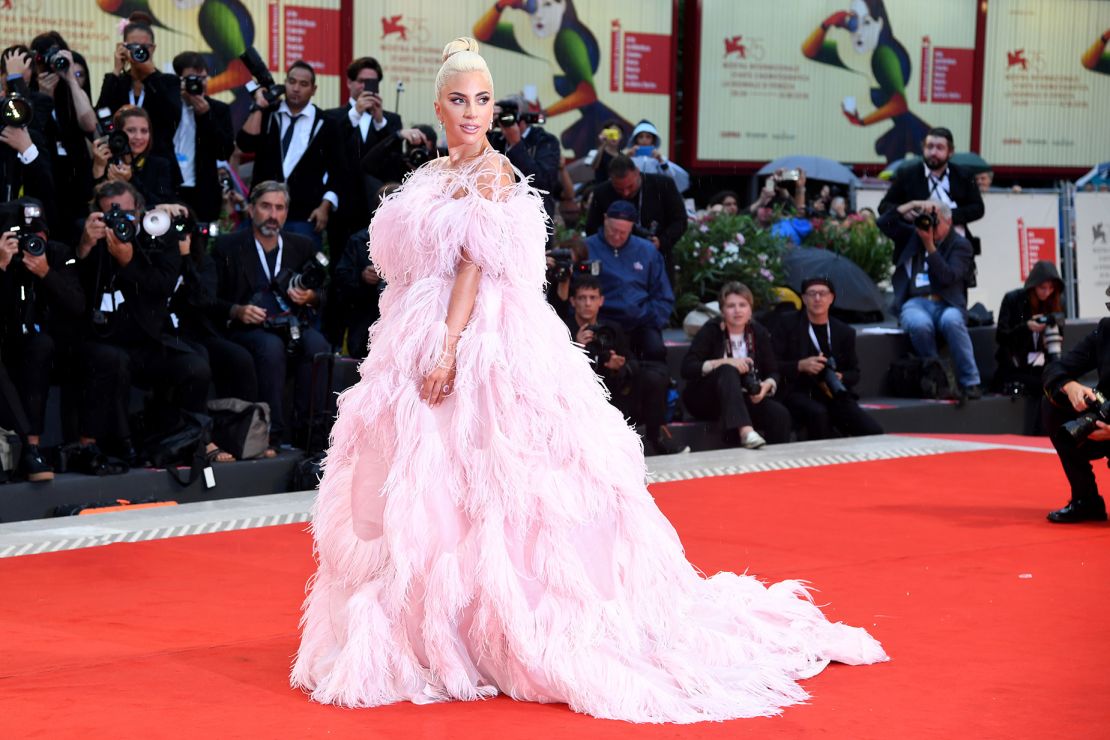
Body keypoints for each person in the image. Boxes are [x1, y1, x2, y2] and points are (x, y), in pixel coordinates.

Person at [291, 36, 886, 721]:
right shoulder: (429, 175)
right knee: (425, 485)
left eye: (483, 100)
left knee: (499, 480)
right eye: (459, 100)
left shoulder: (493, 174)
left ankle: (499, 622)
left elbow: (472, 267)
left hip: (485, 341)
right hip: (412, 330)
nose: (472, 112)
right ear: (438, 105)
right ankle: (434, 627)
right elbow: (403, 256)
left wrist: (450, 347)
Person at [75, 181, 212, 466]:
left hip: (151, 339)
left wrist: (129, 262)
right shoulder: (92, 236)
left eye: (126, 214)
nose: (120, 222)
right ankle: (122, 445)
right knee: (114, 360)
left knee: (195, 367)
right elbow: (77, 289)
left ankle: (184, 440)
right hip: (104, 339)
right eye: (111, 216)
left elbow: (162, 285)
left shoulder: (158, 235)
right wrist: (85, 246)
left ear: (139, 210)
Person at [212, 180, 329, 449]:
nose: (273, 215)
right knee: (270, 348)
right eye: (266, 207)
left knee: (319, 347)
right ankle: (270, 433)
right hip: (249, 327)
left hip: (292, 324)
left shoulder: (302, 245)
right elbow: (210, 298)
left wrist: (311, 296)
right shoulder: (228, 246)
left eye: (279, 208)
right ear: (251, 209)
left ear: (287, 213)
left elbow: (325, 291)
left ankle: (311, 434)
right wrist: (237, 310)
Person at [0, 197, 85, 481]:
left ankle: (32, 448)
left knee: (42, 346)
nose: (31, 244)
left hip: (43, 347)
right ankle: (25, 446)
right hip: (4, 343)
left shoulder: (58, 254)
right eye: (23, 237)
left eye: (38, 237)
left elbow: (77, 306)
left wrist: (46, 273)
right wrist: (1, 266)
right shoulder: (2, 255)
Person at [565, 275, 685, 456]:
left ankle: (656, 438)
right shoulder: (564, 329)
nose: (587, 303)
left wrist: (618, 366)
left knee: (655, 376)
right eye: (582, 298)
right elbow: (559, 370)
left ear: (601, 301)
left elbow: (631, 361)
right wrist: (578, 348)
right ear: (573, 301)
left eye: (592, 298)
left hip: (616, 393)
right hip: (578, 397)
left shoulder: (610, 329)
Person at [879, 199, 982, 399]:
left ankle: (971, 382)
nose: (931, 226)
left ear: (949, 221)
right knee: (918, 324)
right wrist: (912, 205)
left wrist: (930, 246)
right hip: (917, 301)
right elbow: (884, 222)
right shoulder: (914, 235)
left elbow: (948, 276)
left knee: (952, 321)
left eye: (936, 222)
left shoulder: (961, 245)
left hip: (947, 302)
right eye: (929, 220)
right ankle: (938, 376)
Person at [236, 60, 342, 250]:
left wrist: (324, 207)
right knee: (253, 268)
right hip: (263, 210)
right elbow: (245, 144)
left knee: (299, 271)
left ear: (314, 89)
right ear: (284, 83)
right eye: (291, 82)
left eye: (303, 84)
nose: (295, 88)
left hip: (304, 214)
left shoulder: (327, 123)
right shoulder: (269, 113)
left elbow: (338, 172)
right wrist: (259, 106)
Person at [682, 281, 792, 449]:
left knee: (779, 414)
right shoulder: (712, 330)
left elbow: (773, 371)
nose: (737, 310)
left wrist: (766, 386)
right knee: (727, 370)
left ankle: (777, 465)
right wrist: (723, 362)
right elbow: (687, 368)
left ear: (750, 309)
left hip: (743, 397)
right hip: (707, 398)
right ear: (722, 311)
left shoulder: (759, 332)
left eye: (743, 305)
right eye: (731, 306)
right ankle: (746, 432)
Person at [773, 277, 883, 439]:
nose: (817, 298)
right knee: (819, 414)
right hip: (798, 390)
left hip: (833, 392)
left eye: (822, 294)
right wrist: (799, 365)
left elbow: (855, 373)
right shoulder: (787, 324)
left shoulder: (844, 331)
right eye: (812, 294)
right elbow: (772, 364)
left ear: (831, 298)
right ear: (803, 298)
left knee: (873, 430)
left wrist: (840, 377)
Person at [1041, 293, 1110, 523]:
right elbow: (1055, 369)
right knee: (1053, 402)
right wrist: (1070, 387)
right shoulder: (1106, 330)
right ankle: (1086, 500)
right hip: (1104, 418)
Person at [584, 200, 673, 363]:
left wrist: (650, 318)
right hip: (601, 320)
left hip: (640, 320)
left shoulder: (647, 250)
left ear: (632, 227)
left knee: (655, 351)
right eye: (613, 230)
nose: (617, 236)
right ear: (605, 219)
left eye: (623, 232)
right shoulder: (586, 247)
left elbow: (663, 294)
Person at [95, 13, 182, 165]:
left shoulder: (168, 82)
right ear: (123, 47)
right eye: (133, 46)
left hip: (158, 164)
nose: (139, 51)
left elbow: (172, 118)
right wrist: (116, 69)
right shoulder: (117, 82)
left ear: (153, 48)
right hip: (120, 161)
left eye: (144, 47)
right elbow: (102, 114)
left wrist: (150, 74)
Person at [584, 154, 687, 279]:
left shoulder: (663, 185)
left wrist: (661, 241)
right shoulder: (602, 192)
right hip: (614, 261)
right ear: (611, 179)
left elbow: (680, 221)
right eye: (619, 189)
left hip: (657, 257)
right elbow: (592, 228)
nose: (626, 193)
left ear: (637, 172)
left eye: (630, 186)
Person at [878, 127, 984, 241]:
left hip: (955, 242)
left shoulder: (964, 175)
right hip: (916, 241)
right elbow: (884, 206)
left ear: (950, 152)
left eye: (940, 148)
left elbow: (978, 209)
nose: (933, 152)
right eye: (929, 147)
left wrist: (946, 215)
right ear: (923, 148)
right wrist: (904, 212)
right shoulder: (907, 174)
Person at [995, 261, 1065, 434]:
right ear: (1033, 285)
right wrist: (1026, 327)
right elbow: (1001, 337)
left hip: (1041, 367)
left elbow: (1057, 343)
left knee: (1056, 383)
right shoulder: (1013, 299)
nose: (1046, 292)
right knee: (1043, 386)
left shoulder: (1055, 302)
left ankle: (1048, 434)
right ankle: (1040, 435)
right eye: (1042, 287)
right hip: (1015, 368)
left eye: (1050, 288)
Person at [171, 52, 235, 222]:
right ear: (179, 80)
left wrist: (206, 116)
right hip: (169, 189)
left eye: (203, 78)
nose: (198, 84)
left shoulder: (218, 110)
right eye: (192, 79)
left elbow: (224, 152)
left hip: (203, 192)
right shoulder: (166, 105)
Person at [92, 105, 175, 207]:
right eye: (131, 130)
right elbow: (88, 206)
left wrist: (131, 180)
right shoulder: (102, 160)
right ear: (118, 133)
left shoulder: (160, 165)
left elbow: (163, 204)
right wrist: (99, 168)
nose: (138, 137)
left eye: (144, 131)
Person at [624, 119, 690, 194]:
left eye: (648, 137)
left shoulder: (659, 158)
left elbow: (670, 177)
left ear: (653, 140)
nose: (644, 140)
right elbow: (619, 173)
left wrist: (661, 160)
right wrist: (626, 157)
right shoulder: (630, 158)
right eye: (641, 137)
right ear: (636, 139)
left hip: (654, 192)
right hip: (634, 192)